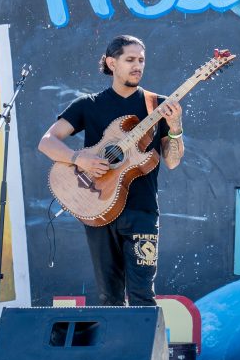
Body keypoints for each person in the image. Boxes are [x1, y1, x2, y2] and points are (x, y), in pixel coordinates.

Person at [38, 34, 184, 306]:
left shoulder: (158, 105)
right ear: (111, 63)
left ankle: (144, 349)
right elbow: (47, 142)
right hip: (98, 208)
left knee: (143, 295)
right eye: (130, 59)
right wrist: (78, 159)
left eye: (141, 60)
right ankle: (115, 349)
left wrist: (175, 127)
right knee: (108, 297)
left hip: (142, 213)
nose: (137, 65)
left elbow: (172, 161)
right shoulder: (88, 105)